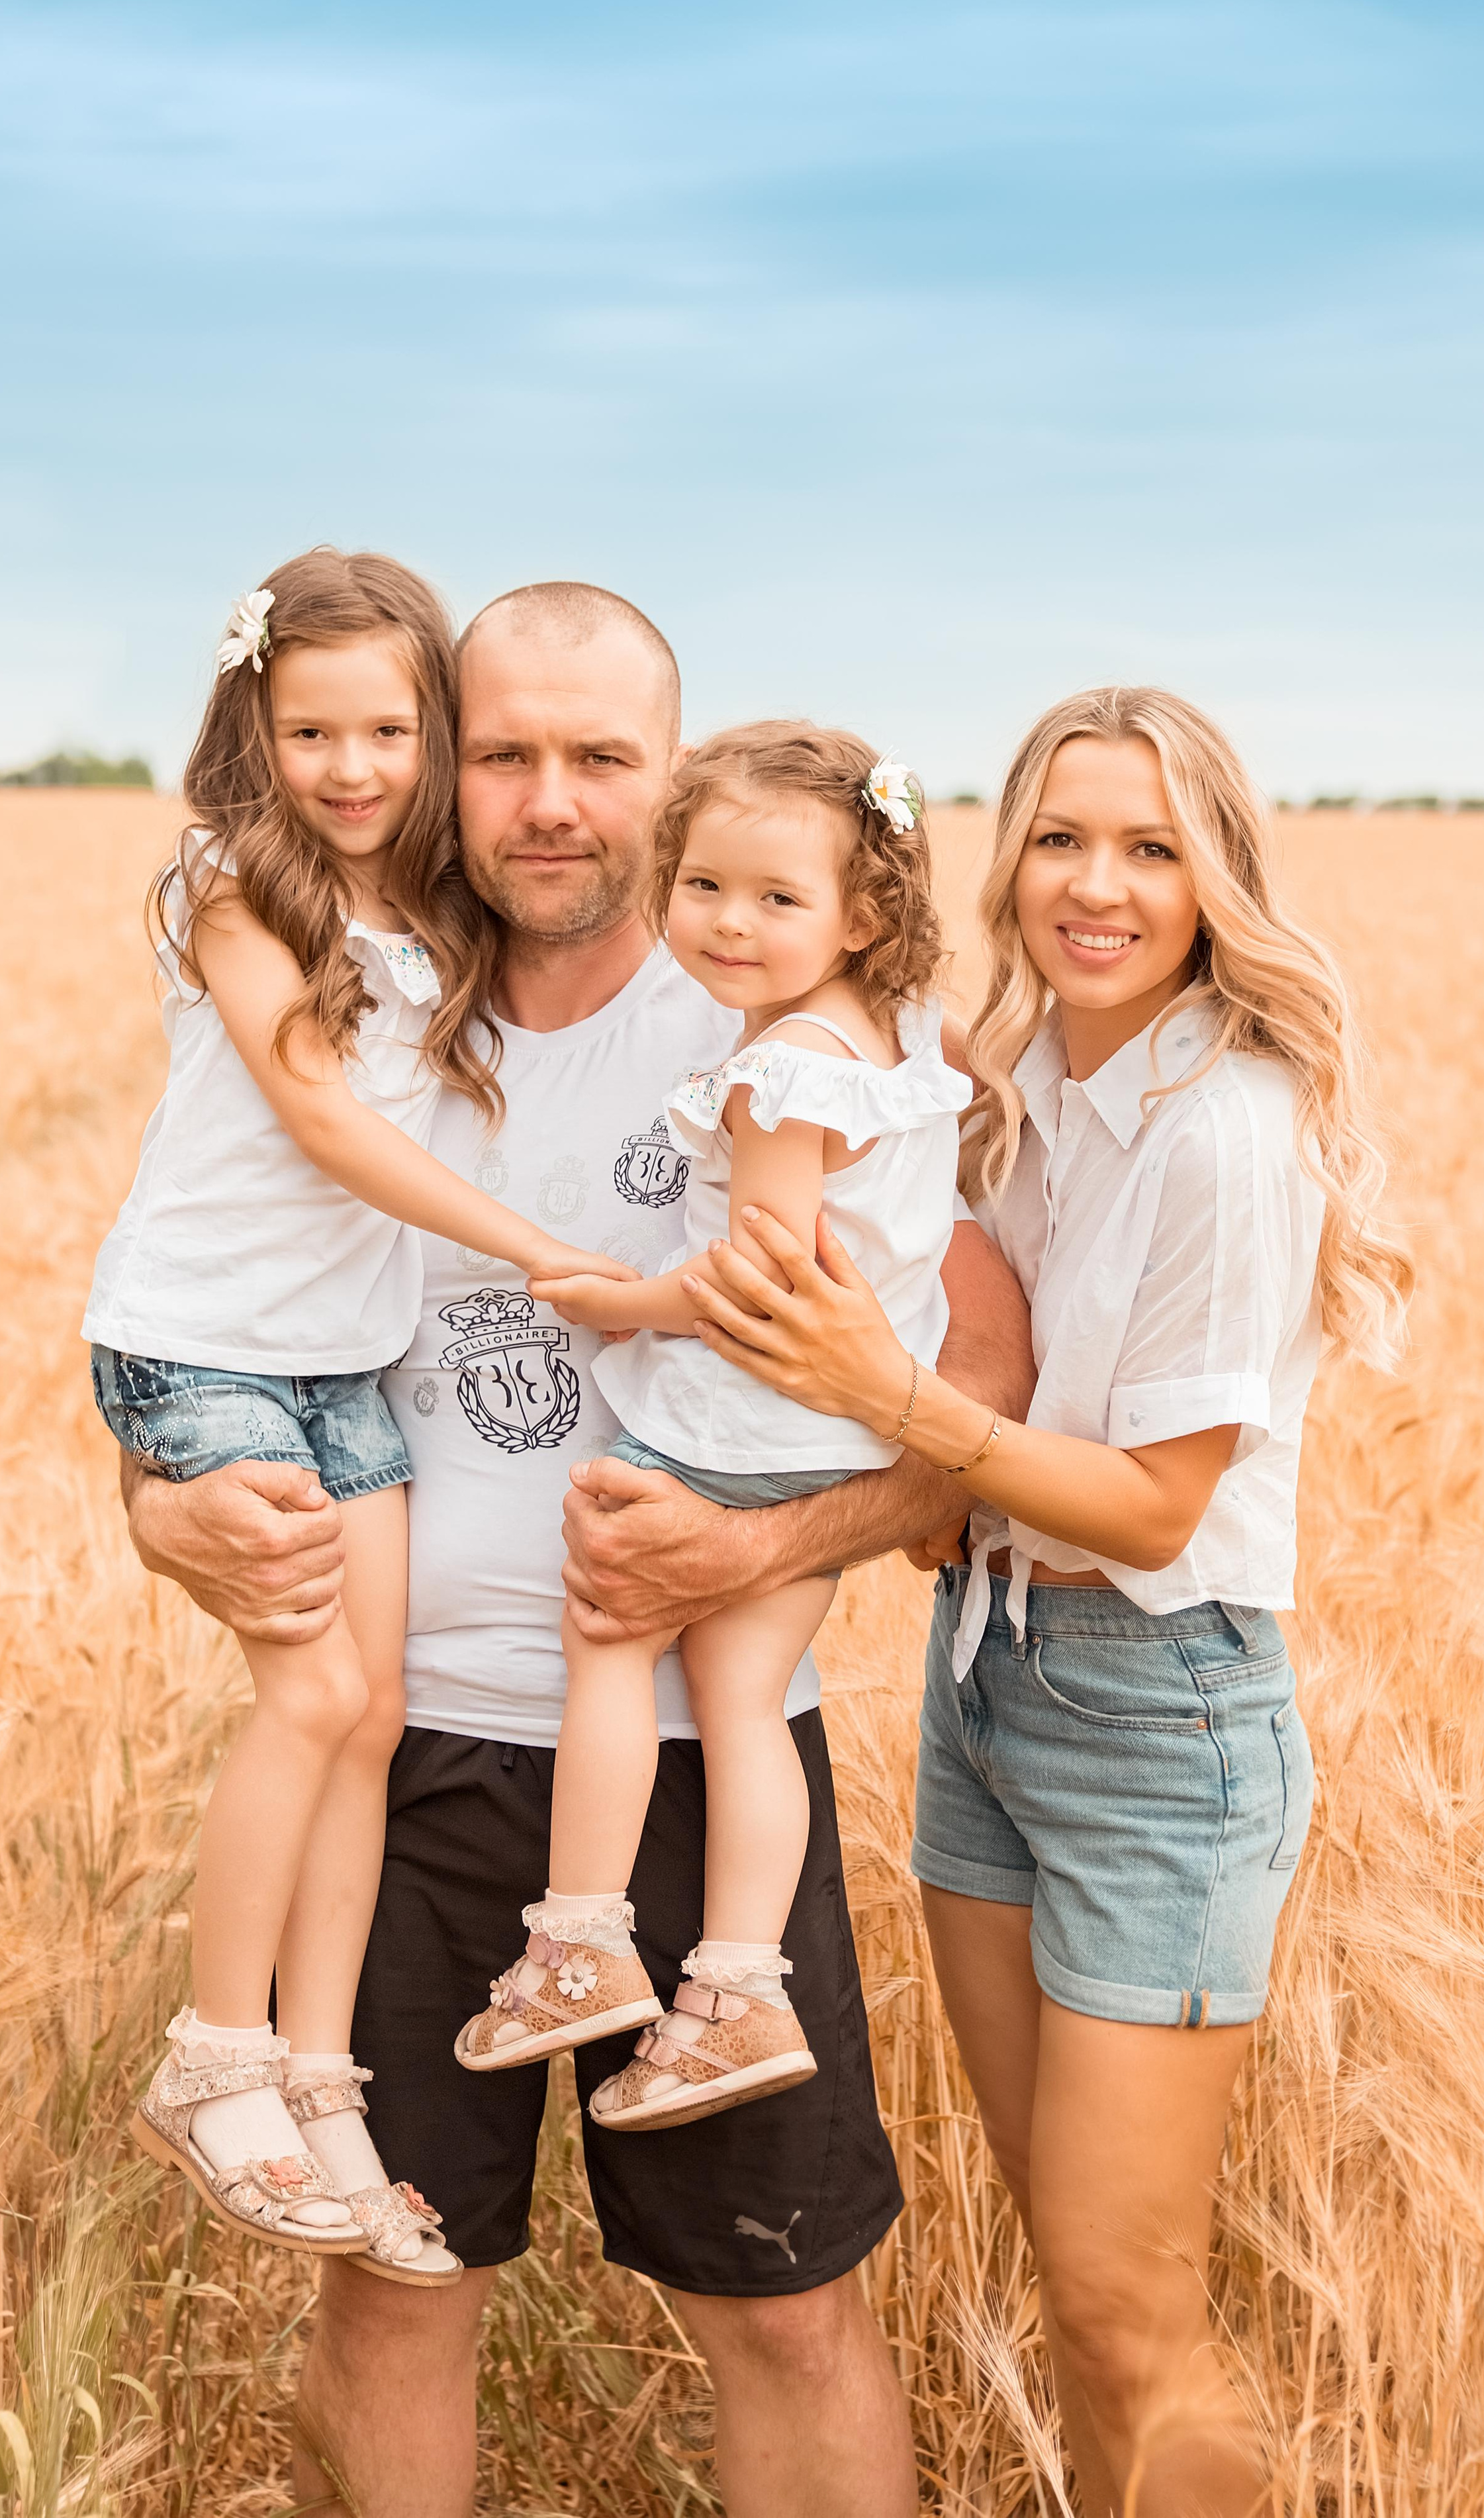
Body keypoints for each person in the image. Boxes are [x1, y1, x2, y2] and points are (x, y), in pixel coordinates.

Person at [120, 579, 1035, 2518]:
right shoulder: (346, 991)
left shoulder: (785, 1017)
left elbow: (975, 1399)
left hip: (705, 1763)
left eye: (602, 759)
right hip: (411, 1767)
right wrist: (161, 1503)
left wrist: (773, 1540)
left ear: (673, 776)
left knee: (785, 2308)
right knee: (395, 2288)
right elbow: (204, 1312)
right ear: (447, 769)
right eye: (507, 753)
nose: (550, 802)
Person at [676, 685, 1413, 2516]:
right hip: (988, 1685)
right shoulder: (1014, 1095)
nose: (1098, 885)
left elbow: (1160, 1513)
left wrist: (887, 1405)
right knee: (1065, 2278)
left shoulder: (1226, 1130)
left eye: (1152, 847)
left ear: (1214, 879)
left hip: (1161, 1714)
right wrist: (901, 1473)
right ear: (1009, 868)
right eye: (1064, 841)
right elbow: (983, 1374)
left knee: (1121, 2302)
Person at [86, 549, 635, 2281]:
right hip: (208, 1344)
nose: (348, 767)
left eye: (389, 729)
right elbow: (324, 1124)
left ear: (436, 731)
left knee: (373, 1714)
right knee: (310, 1688)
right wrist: (540, 1250)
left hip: (347, 1358)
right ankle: (215, 2060)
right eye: (309, 727)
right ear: (255, 720)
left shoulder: (429, 914)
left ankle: (322, 2082)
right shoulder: (231, 881)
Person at [455, 723, 970, 2129]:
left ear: (864, 913)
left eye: (777, 899)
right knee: (742, 1703)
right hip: (838, 1436)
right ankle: (738, 1989)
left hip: (734, 1428)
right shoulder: (887, 1043)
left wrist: (623, 1299)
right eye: (703, 888)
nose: (729, 924)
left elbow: (760, 1269)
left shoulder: (774, 1073)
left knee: (610, 1637)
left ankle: (578, 1939)